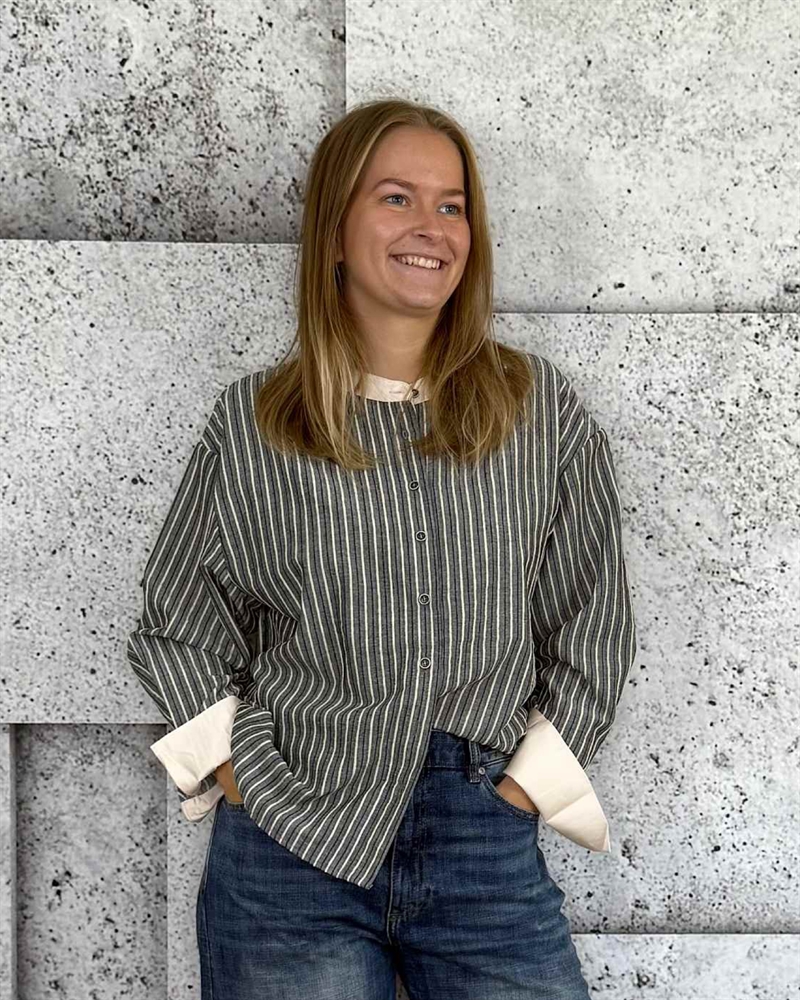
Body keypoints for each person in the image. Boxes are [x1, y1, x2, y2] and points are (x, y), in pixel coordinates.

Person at [127, 98, 637, 1000]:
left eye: (452, 205)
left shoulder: (537, 411)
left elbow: (590, 615)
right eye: (397, 197)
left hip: (482, 833)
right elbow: (181, 620)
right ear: (335, 227)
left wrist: (527, 788)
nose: (431, 227)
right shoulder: (256, 423)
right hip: (290, 839)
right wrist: (237, 774)